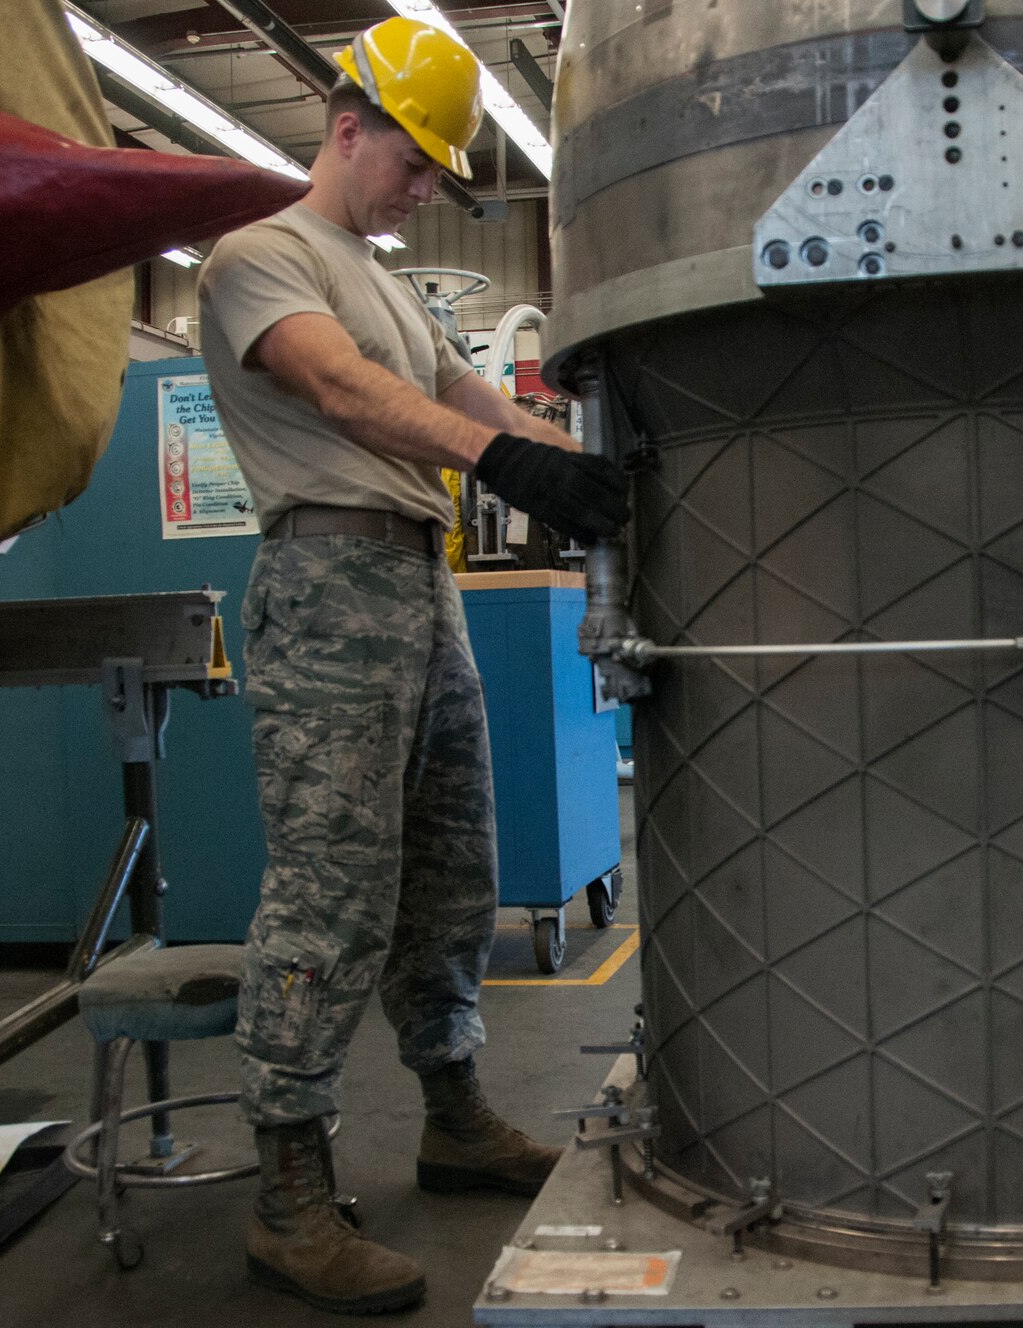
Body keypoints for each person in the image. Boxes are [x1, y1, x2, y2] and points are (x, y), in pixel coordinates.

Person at [196, 16, 629, 1314]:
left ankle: (452, 1118)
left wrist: (578, 444)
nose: (427, 188)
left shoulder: (384, 276)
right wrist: (504, 464)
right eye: (418, 161)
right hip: (327, 580)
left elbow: (474, 395)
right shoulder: (255, 258)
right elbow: (338, 392)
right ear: (349, 127)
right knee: (332, 888)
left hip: (419, 581)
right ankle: (288, 1193)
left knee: (455, 870)